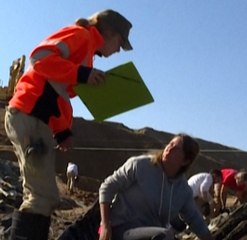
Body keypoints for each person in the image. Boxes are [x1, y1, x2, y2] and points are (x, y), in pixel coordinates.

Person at [4, 9, 133, 240]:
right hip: (29, 114)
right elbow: (40, 57)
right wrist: (81, 74)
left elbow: (56, 91)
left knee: (42, 195)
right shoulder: (81, 36)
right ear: (110, 32)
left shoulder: (86, 53)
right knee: (41, 196)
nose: (117, 52)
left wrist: (61, 131)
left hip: (35, 118)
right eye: (120, 44)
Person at [99, 133, 214, 240]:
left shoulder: (183, 191)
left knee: (166, 235)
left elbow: (194, 219)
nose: (169, 148)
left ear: (185, 161)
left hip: (152, 235)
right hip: (119, 229)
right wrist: (105, 225)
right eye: (170, 144)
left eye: (176, 149)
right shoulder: (140, 165)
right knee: (165, 234)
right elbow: (107, 187)